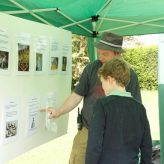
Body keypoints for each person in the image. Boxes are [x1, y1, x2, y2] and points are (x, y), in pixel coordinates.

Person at [40, 32, 142, 164]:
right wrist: (59, 111)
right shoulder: (92, 68)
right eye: (99, 53)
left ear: (117, 53)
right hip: (87, 132)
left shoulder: (130, 75)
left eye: (105, 54)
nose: (100, 57)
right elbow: (77, 95)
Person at [85, 58, 152, 164]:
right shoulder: (139, 108)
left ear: (110, 79)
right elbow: (147, 145)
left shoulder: (102, 106)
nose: (102, 87)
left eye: (102, 82)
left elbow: (94, 145)